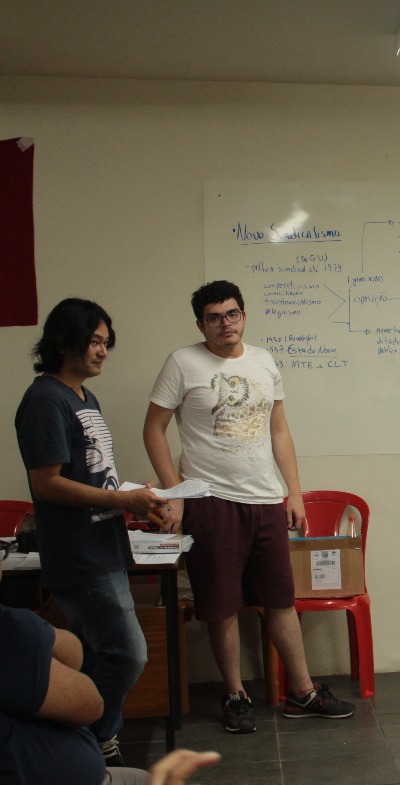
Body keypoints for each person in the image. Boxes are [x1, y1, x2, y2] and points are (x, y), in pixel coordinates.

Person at [143, 281, 354, 733]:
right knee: (221, 604)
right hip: (211, 501)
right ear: (201, 324)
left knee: (280, 599)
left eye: (232, 314)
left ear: (243, 315)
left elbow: (279, 430)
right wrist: (175, 492)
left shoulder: (263, 361)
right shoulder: (182, 363)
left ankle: (302, 692)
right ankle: (235, 695)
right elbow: (153, 430)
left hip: (266, 499)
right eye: (214, 317)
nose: (226, 323)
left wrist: (292, 492)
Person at [14, 298, 167, 765]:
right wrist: (122, 501)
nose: (103, 351)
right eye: (95, 342)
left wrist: (138, 498)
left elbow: (94, 476)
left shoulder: (84, 397)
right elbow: (47, 484)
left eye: (106, 343)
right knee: (127, 653)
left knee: (101, 653)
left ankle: (83, 741)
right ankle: (92, 736)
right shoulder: (45, 401)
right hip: (78, 554)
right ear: (65, 343)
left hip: (104, 545)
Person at [0, 602, 254, 785]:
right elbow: (91, 705)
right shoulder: (10, 630)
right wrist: (30, 634)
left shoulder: (10, 626)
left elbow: (75, 655)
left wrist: (32, 632)